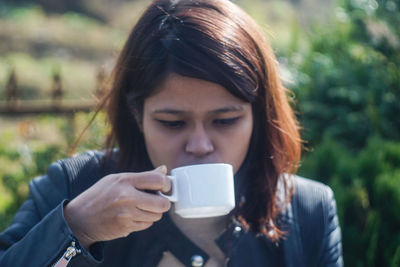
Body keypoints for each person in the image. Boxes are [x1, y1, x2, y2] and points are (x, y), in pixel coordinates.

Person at [0, 0, 343, 266]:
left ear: (260, 115)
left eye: (225, 121)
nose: (199, 145)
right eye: (172, 122)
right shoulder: (73, 189)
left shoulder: (306, 212)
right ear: (138, 115)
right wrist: (75, 229)